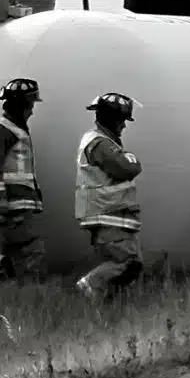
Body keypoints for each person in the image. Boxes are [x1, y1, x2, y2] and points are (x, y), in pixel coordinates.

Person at [74, 91, 144, 299]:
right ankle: (89, 285)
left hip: (111, 214)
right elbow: (127, 167)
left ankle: (107, 301)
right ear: (112, 119)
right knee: (127, 262)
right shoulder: (101, 144)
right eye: (122, 120)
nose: (124, 126)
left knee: (131, 264)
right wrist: (130, 158)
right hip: (108, 214)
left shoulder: (100, 141)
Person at [0, 77, 47, 282]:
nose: (32, 111)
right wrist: (0, 199)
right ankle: (30, 294)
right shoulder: (2, 130)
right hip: (13, 204)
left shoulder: (16, 130)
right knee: (32, 251)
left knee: (10, 256)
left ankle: (0, 294)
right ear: (19, 105)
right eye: (30, 105)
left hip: (19, 202)